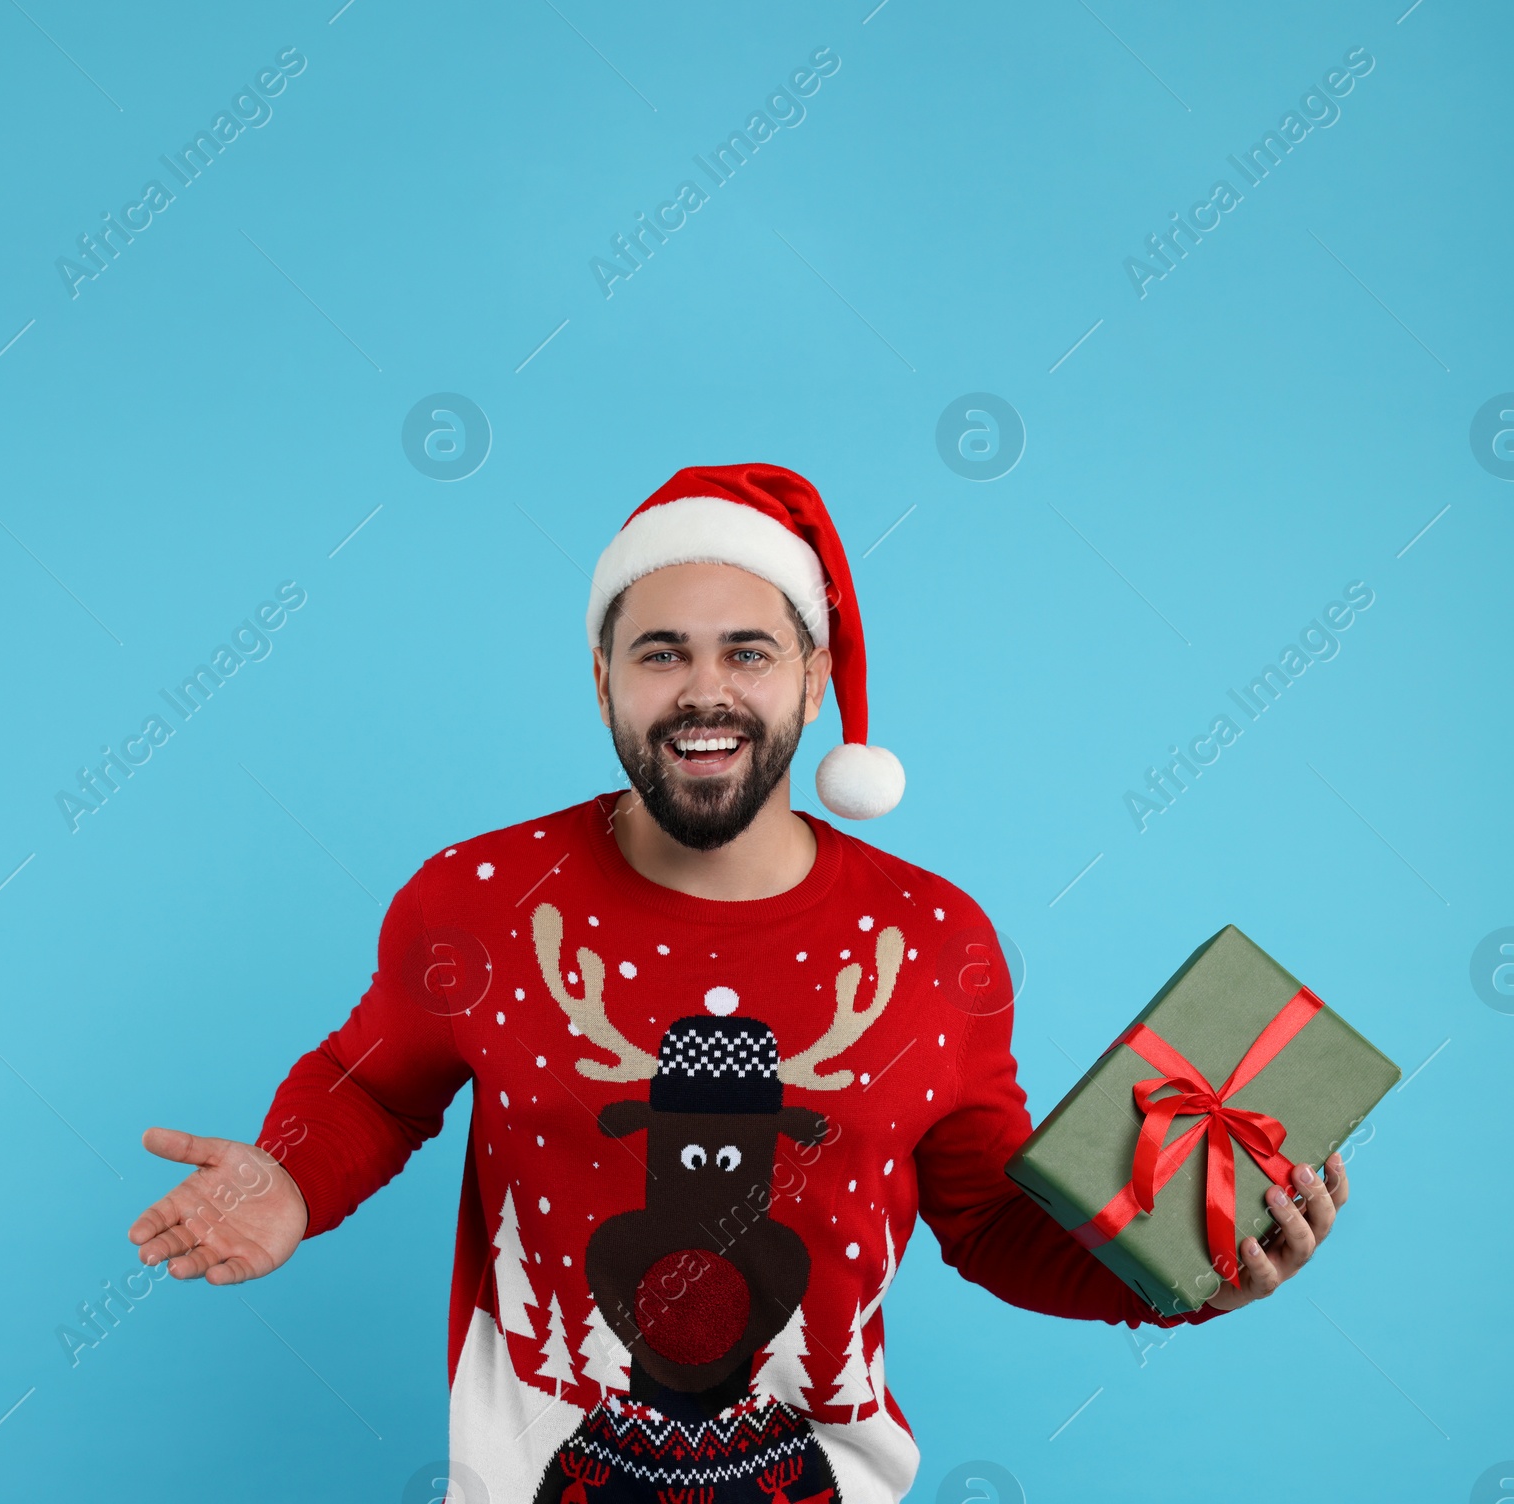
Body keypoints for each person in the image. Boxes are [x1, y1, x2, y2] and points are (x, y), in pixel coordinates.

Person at [128, 463, 1350, 1503]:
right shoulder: (478, 896)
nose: (703, 691)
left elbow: (984, 1221)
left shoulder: (933, 937)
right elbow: (375, 1088)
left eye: (747, 651)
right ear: (602, 678)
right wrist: (291, 1171)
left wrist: (1181, 1279)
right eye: (660, 652)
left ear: (813, 681)